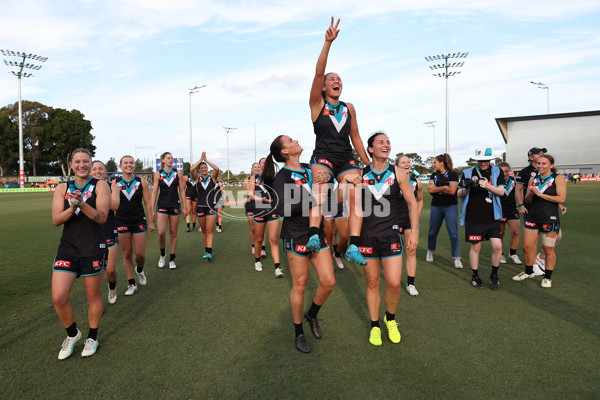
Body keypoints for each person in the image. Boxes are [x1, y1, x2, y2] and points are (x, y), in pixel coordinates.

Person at [262, 135, 336, 354]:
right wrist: (313, 198)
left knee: (329, 282)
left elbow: (326, 178)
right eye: (291, 141)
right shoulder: (282, 176)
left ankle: (311, 314)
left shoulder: (307, 168)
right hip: (296, 235)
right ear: (285, 152)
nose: (296, 141)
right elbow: (282, 208)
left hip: (317, 233)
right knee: (300, 285)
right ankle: (298, 332)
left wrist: (326, 178)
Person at [308, 17, 370, 265]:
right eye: (332, 79)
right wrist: (327, 43)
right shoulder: (316, 104)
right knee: (321, 189)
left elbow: (355, 137)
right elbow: (318, 71)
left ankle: (354, 244)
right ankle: (314, 234)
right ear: (322, 87)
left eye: (339, 79)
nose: (336, 81)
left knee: (356, 192)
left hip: (345, 159)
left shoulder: (349, 107)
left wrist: (369, 164)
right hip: (323, 157)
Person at [359, 133, 419, 346]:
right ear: (370, 149)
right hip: (367, 237)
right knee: (373, 282)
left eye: (388, 142)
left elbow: (412, 204)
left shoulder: (399, 173)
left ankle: (390, 319)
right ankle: (375, 325)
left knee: (393, 283)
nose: (386, 145)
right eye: (380, 142)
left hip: (391, 235)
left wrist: (415, 232)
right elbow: (346, 202)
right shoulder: (360, 174)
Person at [51, 148, 110, 359]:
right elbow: (56, 220)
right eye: (78, 161)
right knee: (58, 297)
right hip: (68, 248)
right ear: (71, 164)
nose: (82, 165)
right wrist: (72, 207)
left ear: (91, 163)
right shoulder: (62, 188)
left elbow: (102, 217)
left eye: (86, 161)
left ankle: (92, 337)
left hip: (93, 247)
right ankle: (72, 333)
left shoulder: (101, 185)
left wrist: (83, 204)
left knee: (92, 296)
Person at [513, 155, 566, 288]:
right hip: (532, 216)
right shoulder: (533, 178)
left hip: (549, 217)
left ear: (551, 165)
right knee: (527, 247)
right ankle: (528, 271)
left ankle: (547, 277)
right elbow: (528, 199)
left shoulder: (557, 178)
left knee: (548, 249)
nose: (540, 166)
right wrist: (531, 193)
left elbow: (561, 198)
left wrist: (541, 194)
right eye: (539, 163)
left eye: (544, 163)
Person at [457, 148, 506, 289]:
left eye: (486, 160)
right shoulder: (467, 172)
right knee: (476, 247)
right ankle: (475, 275)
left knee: (497, 246)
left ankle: (494, 275)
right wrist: (466, 187)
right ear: (476, 160)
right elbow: (459, 194)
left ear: (490, 160)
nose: (483, 163)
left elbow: (501, 192)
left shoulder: (497, 171)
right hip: (474, 217)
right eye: (480, 160)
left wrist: (488, 186)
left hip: (492, 217)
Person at [114, 155, 154, 296]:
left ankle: (140, 269)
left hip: (138, 220)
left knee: (140, 254)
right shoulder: (115, 182)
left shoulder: (141, 182)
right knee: (126, 253)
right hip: (121, 221)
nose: (128, 165)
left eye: (131, 162)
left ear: (134, 165)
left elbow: (148, 204)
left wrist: (151, 222)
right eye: (125, 163)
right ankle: (131, 283)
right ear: (120, 166)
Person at [150, 152, 188, 270]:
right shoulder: (158, 174)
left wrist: (185, 207)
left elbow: (182, 190)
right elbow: (155, 192)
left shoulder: (178, 173)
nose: (171, 160)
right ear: (162, 160)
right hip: (162, 206)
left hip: (174, 205)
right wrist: (152, 209)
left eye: (172, 158)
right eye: (168, 158)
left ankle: (172, 258)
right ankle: (162, 254)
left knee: (173, 233)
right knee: (161, 232)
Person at [91, 160, 120, 304]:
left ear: (105, 172)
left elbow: (114, 206)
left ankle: (112, 287)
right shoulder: (86, 188)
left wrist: (103, 191)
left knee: (110, 270)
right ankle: (96, 302)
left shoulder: (112, 186)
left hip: (109, 230)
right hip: (90, 233)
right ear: (90, 171)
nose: (97, 171)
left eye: (100, 169)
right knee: (94, 271)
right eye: (94, 169)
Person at [247, 158, 282, 276]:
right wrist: (261, 199)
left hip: (272, 210)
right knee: (259, 239)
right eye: (262, 162)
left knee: (273, 240)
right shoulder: (253, 178)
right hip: (259, 211)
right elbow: (251, 195)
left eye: (266, 162)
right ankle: (257, 261)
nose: (264, 164)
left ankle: (277, 267)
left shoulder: (274, 177)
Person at [426, 153, 462, 268]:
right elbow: (430, 190)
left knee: (453, 233)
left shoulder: (453, 174)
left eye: (435, 162)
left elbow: (452, 191)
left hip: (450, 206)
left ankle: (457, 258)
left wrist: (437, 189)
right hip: (436, 206)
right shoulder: (433, 174)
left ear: (442, 163)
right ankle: (430, 251)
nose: (433, 164)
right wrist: (443, 188)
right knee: (432, 232)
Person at [396, 156, 424, 296]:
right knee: (392, 252)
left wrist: (415, 218)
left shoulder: (416, 182)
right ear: (397, 166)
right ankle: (393, 280)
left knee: (411, 251)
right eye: (403, 162)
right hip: (392, 220)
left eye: (408, 162)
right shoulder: (391, 180)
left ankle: (411, 284)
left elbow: (420, 201)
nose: (407, 164)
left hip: (408, 221)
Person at [191, 152, 220, 261]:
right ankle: (206, 250)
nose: (203, 169)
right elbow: (191, 170)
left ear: (207, 168)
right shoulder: (197, 178)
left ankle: (209, 251)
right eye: (201, 168)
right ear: (199, 170)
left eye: (205, 167)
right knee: (203, 230)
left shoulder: (212, 177)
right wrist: (200, 160)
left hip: (211, 206)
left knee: (210, 230)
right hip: (200, 207)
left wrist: (206, 160)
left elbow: (217, 169)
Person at [497, 162, 522, 265]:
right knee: (501, 233)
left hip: (512, 209)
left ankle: (512, 254)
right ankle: (500, 254)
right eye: (502, 171)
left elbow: (520, 193)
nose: (504, 173)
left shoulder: (514, 181)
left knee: (515, 232)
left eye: (506, 171)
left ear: (509, 171)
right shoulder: (495, 182)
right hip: (500, 210)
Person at [322, 182, 349, 270]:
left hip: (339, 207)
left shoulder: (340, 175)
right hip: (326, 207)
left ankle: (336, 255)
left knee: (345, 237)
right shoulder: (325, 173)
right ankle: (329, 263)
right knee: (328, 237)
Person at [244, 162, 264, 257]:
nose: (257, 168)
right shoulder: (247, 179)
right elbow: (249, 192)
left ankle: (262, 249)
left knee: (261, 228)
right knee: (253, 228)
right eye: (255, 167)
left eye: (258, 167)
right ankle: (253, 246)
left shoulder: (264, 178)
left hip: (261, 204)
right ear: (252, 169)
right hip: (251, 205)